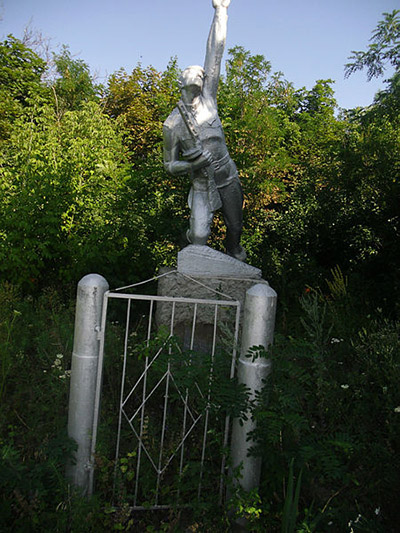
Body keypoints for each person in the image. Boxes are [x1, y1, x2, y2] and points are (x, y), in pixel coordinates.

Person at [163, 0, 246, 262]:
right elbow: (168, 165)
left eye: (201, 73)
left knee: (235, 226)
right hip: (200, 182)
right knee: (198, 239)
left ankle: (233, 249)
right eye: (193, 72)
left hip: (225, 173)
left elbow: (215, 53)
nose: (199, 72)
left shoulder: (209, 98)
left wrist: (221, 11)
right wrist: (191, 165)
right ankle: (192, 238)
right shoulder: (172, 124)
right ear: (181, 81)